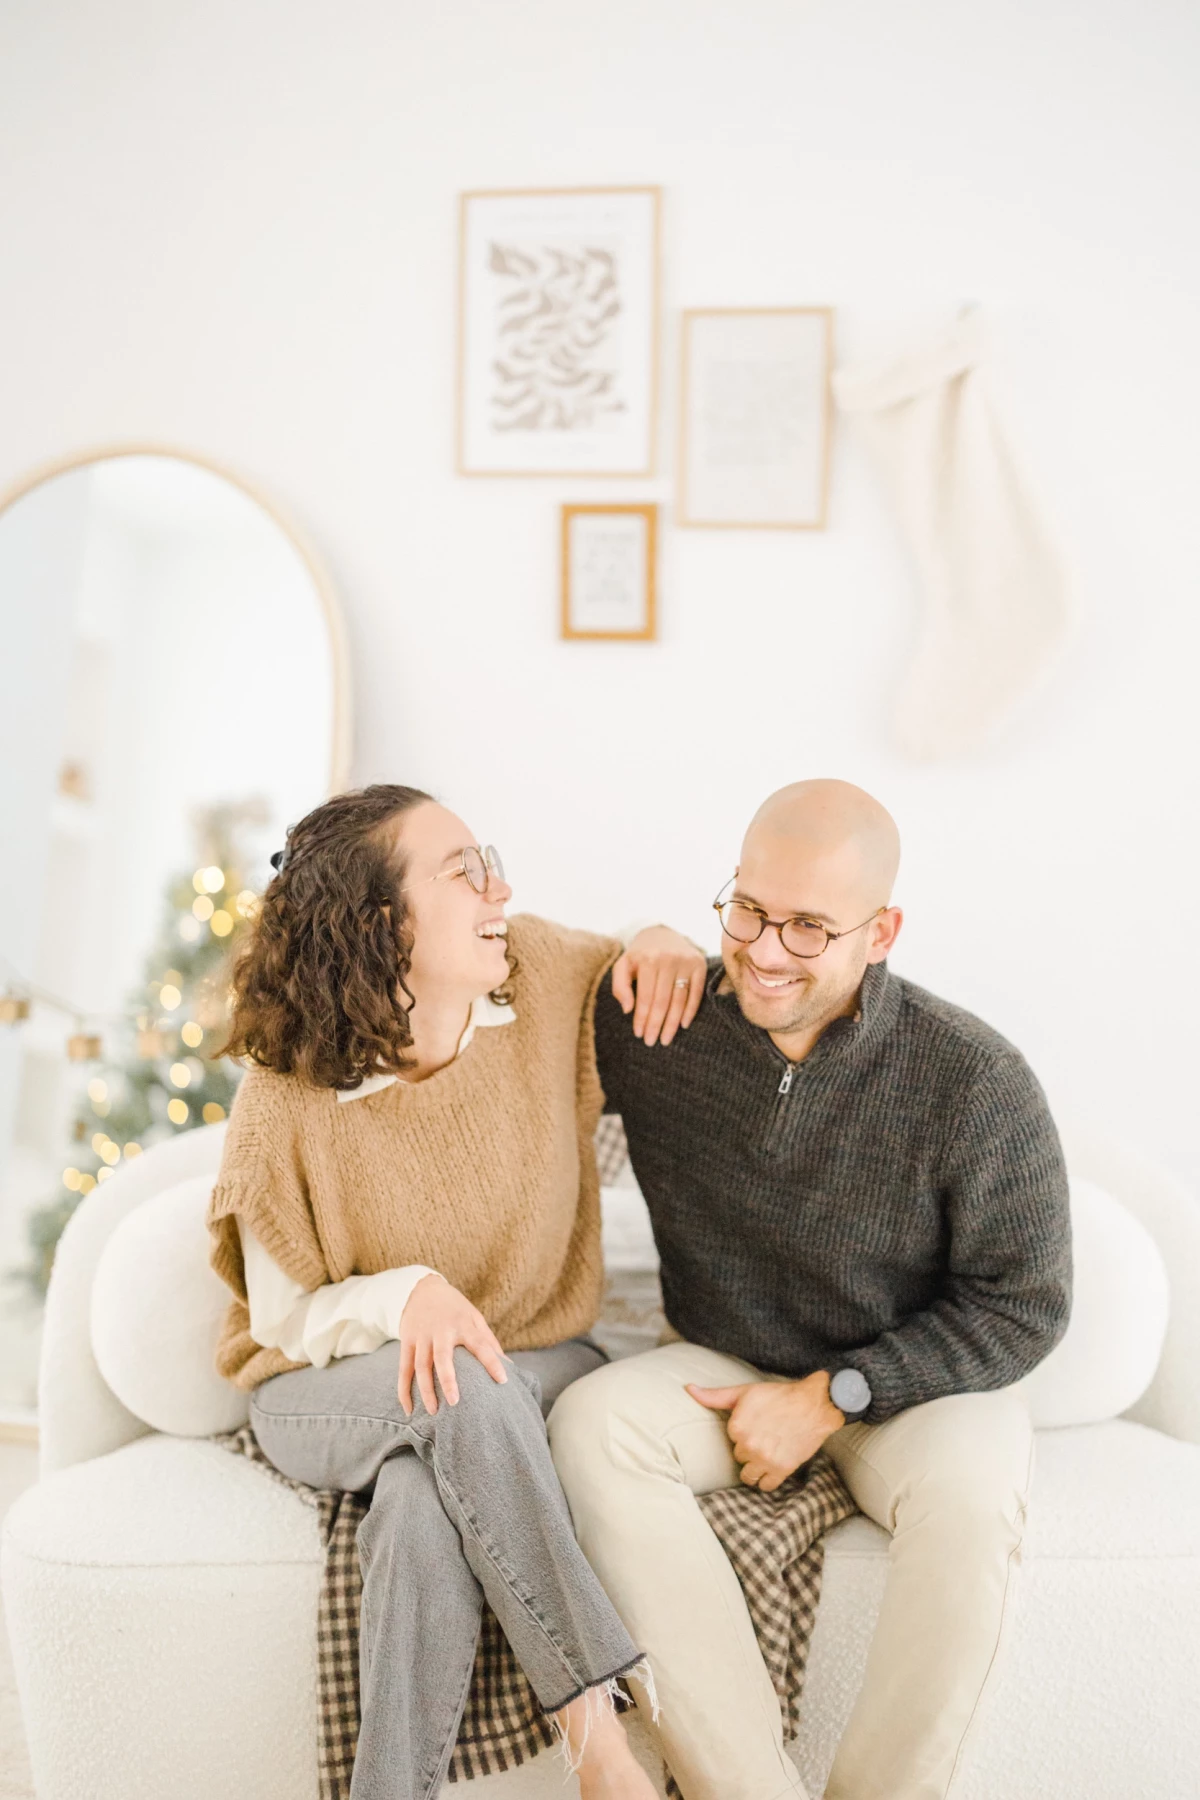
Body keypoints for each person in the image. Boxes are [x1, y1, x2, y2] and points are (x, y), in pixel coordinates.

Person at [548, 778, 1073, 1800]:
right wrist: (633, 935)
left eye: (808, 927)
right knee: (589, 1426)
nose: (766, 950)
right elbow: (515, 995)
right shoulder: (665, 1021)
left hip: (915, 1380)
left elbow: (1023, 1304)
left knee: (974, 1507)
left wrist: (835, 1396)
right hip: (724, 1359)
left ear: (882, 932)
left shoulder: (975, 1079)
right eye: (747, 909)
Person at [204, 783, 702, 1800]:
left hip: (537, 1353)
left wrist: (657, 931)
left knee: (426, 1493)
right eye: (464, 870)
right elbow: (288, 1321)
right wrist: (405, 1299)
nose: (501, 888)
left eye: (494, 861)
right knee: (459, 1391)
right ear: (383, 921)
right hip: (320, 1384)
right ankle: (598, 1745)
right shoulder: (282, 1097)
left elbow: (627, 954)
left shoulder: (542, 976)